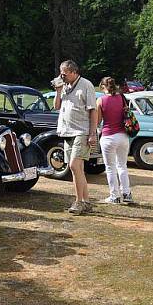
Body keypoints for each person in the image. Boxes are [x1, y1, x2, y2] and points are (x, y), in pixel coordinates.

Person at [53, 60, 98, 215]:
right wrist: (58, 91)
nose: (61, 76)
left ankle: (78, 202)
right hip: (67, 132)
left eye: (64, 74)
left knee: (73, 165)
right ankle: (86, 202)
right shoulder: (64, 86)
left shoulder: (86, 85)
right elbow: (56, 106)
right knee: (77, 169)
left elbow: (93, 111)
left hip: (82, 132)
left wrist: (93, 133)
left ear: (73, 72)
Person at [96, 77, 133, 204]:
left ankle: (114, 196)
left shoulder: (100, 100)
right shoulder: (121, 98)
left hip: (108, 136)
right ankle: (127, 193)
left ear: (102, 87)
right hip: (123, 136)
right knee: (122, 166)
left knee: (110, 168)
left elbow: (98, 121)